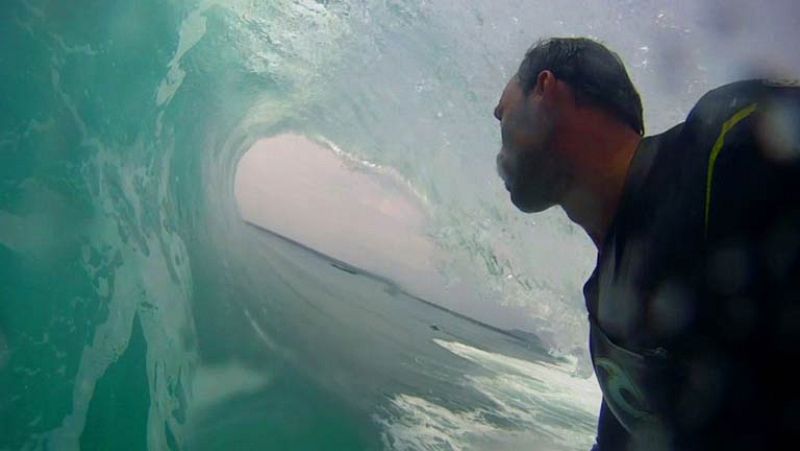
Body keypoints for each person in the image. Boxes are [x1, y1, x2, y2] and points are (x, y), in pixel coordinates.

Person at [494, 37, 800, 450]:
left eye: (502, 116)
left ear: (546, 89)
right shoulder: (608, 312)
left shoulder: (723, 140)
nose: (499, 129)